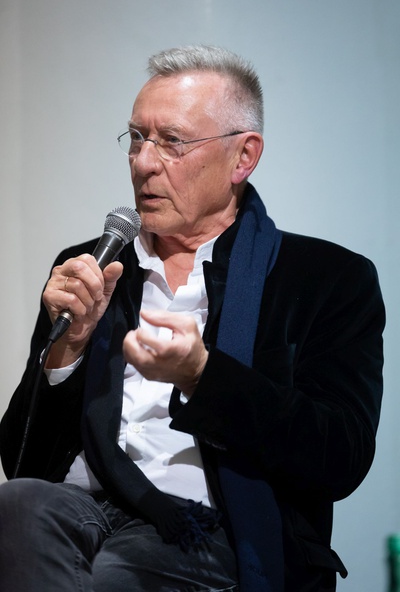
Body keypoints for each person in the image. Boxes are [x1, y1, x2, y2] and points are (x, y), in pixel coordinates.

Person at [0, 44, 385, 592]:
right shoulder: (92, 265)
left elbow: (339, 457)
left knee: (118, 574)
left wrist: (204, 378)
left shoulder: (325, 279)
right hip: (80, 510)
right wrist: (69, 349)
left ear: (243, 157)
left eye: (172, 142)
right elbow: (22, 460)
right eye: (137, 137)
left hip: (211, 528)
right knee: (16, 505)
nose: (144, 162)